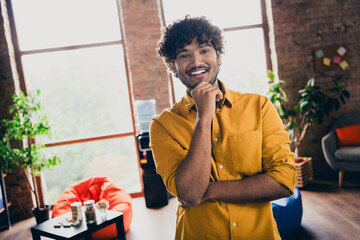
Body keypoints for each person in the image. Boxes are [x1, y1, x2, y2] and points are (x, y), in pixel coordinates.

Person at [150, 15, 297, 240]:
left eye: (204, 50)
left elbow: (283, 181)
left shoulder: (259, 107)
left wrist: (208, 192)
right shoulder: (162, 126)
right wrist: (204, 117)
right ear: (173, 66)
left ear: (218, 56)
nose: (196, 62)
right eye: (184, 55)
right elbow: (189, 193)